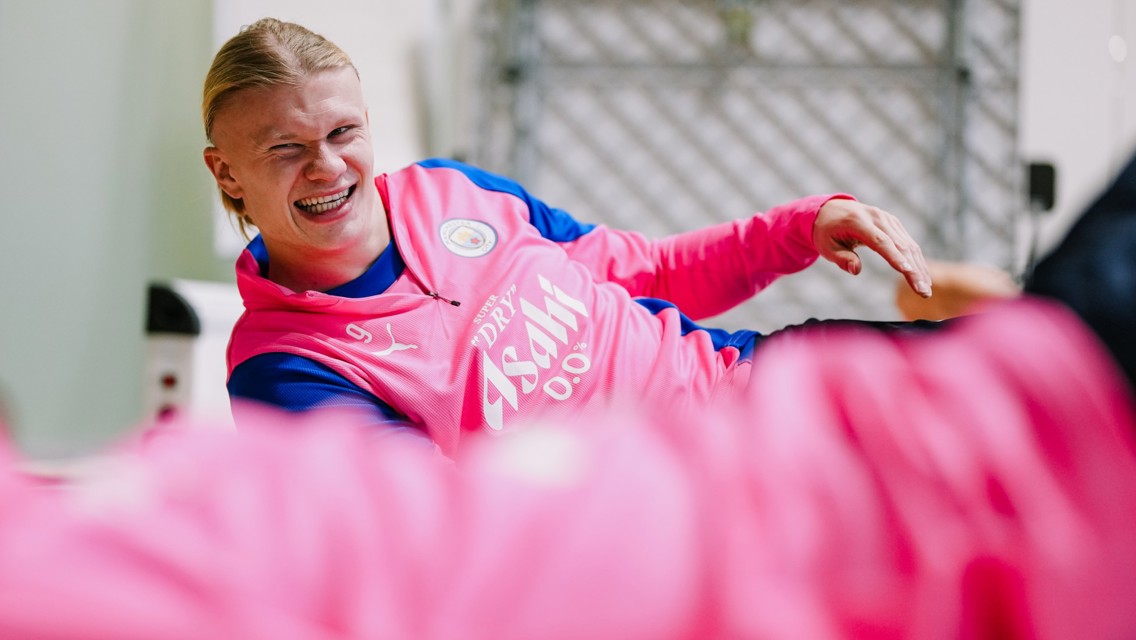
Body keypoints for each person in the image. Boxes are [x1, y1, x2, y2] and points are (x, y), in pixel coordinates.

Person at [203, 18, 939, 453]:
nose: (328, 167)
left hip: (752, 380)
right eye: (285, 149)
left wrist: (799, 226)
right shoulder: (287, 366)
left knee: (1025, 371)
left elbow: (647, 271)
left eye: (343, 132)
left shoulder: (454, 190)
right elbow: (435, 531)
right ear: (227, 173)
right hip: (687, 511)